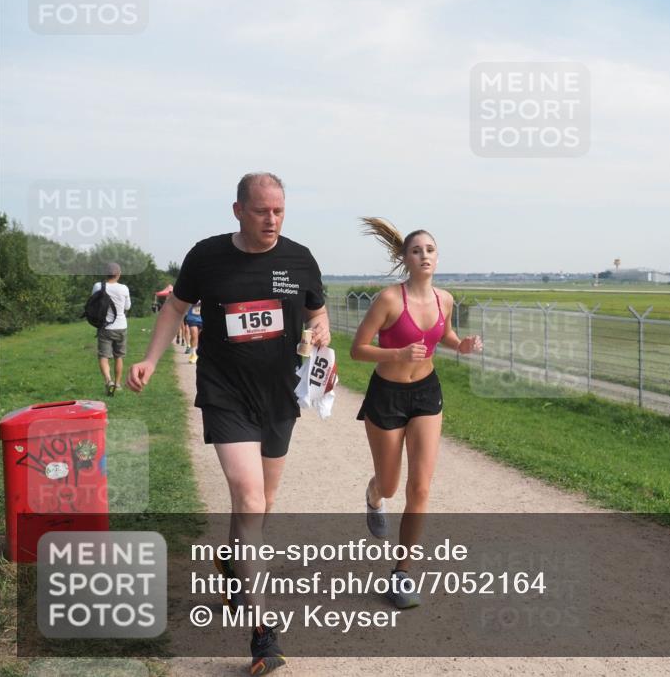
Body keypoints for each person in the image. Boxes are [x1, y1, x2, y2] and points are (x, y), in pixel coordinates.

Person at [126, 172, 329, 674]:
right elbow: (175, 307)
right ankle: (263, 636)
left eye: (279, 210)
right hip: (225, 394)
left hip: (279, 397)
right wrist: (151, 359)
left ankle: (233, 568)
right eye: (262, 210)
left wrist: (321, 336)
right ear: (238, 210)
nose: (272, 219)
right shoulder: (208, 256)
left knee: (263, 507)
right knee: (250, 498)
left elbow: (316, 315)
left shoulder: (299, 259)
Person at [350, 217, 482, 609]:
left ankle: (402, 574)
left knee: (420, 488)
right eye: (416, 250)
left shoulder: (446, 299)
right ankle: (374, 496)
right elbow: (358, 349)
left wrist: (462, 345)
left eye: (430, 250)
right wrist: (397, 354)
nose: (424, 255)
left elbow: (444, 335)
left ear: (436, 258)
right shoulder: (389, 300)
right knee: (391, 485)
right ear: (405, 259)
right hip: (386, 396)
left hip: (427, 394)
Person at [94, 262, 131, 397]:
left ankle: (108, 381)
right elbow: (127, 307)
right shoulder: (124, 288)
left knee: (104, 356)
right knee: (119, 356)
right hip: (121, 326)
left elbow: (94, 302)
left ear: (106, 274)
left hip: (105, 327)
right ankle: (118, 384)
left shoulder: (98, 286)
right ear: (119, 274)